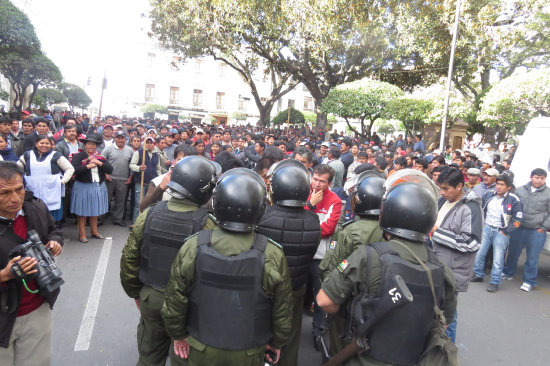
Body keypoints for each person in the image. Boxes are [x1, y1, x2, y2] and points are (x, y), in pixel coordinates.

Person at [316, 181, 456, 366]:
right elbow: (443, 323)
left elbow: (324, 301)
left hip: (365, 357)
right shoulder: (441, 268)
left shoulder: (368, 256)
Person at [161, 171, 293, 366]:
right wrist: (277, 343)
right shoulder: (272, 253)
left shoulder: (194, 246)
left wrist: (178, 335)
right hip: (249, 350)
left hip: (200, 345)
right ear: (260, 209)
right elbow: (282, 309)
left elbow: (175, 301)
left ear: (217, 203)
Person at [121, 156, 219, 366]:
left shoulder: (149, 214)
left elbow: (129, 259)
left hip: (151, 297)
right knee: (183, 358)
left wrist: (136, 293)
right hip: (187, 304)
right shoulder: (209, 224)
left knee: (149, 356)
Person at [256, 161, 321, 366]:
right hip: (296, 289)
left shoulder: (263, 218)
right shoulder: (313, 220)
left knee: (259, 337)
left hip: (265, 290)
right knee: (290, 341)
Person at [0, 161, 63, 366]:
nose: (15, 199)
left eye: (19, 189)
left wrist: (55, 242)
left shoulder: (34, 207)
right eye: (5, 193)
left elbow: (53, 230)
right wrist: (5, 274)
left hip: (37, 309)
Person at [318, 171, 386, 356]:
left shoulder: (349, 231)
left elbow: (330, 267)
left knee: (339, 345)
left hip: (348, 300)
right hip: (380, 300)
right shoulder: (389, 231)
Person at [430, 167, 482, 342]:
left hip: (452, 272)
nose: (442, 192)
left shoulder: (470, 208)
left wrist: (438, 233)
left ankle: (446, 355)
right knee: (432, 312)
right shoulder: (441, 202)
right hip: (435, 265)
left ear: (460, 186)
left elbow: (472, 243)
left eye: (446, 188)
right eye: (441, 188)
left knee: (447, 319)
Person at [305, 164, 343, 350]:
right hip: (301, 253)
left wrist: (306, 225)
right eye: (315, 179)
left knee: (319, 295)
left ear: (329, 183)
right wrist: (310, 205)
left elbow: (328, 229)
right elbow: (297, 220)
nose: (317, 184)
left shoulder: (335, 200)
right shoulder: (305, 193)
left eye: (322, 181)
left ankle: (318, 332)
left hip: (320, 256)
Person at [471, 174, 522, 292]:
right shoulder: (489, 195)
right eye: (498, 184)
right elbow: (481, 209)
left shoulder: (514, 199)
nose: (498, 187)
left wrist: (506, 231)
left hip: (501, 231)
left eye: (502, 185)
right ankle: (478, 274)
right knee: (479, 253)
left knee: (498, 259)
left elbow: (518, 219)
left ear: (508, 187)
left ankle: (494, 282)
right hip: (487, 228)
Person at [502, 168, 550, 292]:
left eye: (542, 178)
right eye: (536, 177)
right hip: (518, 227)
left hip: (536, 230)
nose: (539, 180)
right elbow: (512, 206)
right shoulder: (520, 190)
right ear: (531, 177)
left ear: (545, 179)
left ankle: (529, 281)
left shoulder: (548, 193)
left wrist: (543, 227)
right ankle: (508, 272)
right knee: (513, 252)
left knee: (532, 257)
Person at [17, 135, 74, 223]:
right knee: (34, 214)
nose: (44, 145)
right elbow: (17, 169)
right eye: (41, 143)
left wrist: (62, 181)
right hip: (32, 189)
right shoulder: (27, 155)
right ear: (36, 144)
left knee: (52, 217)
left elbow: (70, 169)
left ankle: (52, 234)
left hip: (52, 191)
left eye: (47, 143)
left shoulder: (56, 156)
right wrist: (21, 182)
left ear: (51, 145)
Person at [70, 133, 113, 243]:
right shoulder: (79, 156)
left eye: (93, 144)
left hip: (97, 186)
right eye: (89, 144)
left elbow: (110, 169)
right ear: (85, 145)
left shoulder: (100, 157)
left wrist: (99, 163)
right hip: (83, 186)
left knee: (95, 210)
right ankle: (82, 233)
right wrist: (88, 166)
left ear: (96, 146)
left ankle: (94, 231)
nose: (91, 146)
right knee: (82, 212)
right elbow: (74, 170)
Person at [139, 144, 197, 211]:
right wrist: (160, 188)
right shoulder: (158, 181)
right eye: (180, 160)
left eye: (187, 161)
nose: (183, 164)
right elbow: (143, 208)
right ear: (174, 160)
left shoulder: (198, 182)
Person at [101, 131, 134, 227]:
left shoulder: (129, 150)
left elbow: (132, 165)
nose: (120, 140)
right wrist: (105, 174)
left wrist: (130, 177)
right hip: (109, 178)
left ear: (125, 139)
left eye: (122, 138)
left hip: (124, 179)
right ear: (115, 138)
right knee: (105, 199)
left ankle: (118, 219)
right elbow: (101, 161)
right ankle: (100, 218)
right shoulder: (108, 148)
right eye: (118, 138)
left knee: (121, 200)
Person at [129, 136, 161, 226]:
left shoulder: (156, 154)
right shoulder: (138, 153)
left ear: (154, 144)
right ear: (144, 143)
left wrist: (159, 180)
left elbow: (158, 169)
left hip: (152, 183)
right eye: (147, 142)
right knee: (139, 203)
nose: (149, 144)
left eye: (151, 143)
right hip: (141, 181)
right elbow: (132, 165)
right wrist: (139, 168)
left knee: (150, 203)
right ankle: (136, 223)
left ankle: (145, 223)